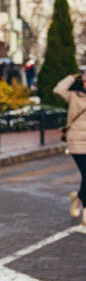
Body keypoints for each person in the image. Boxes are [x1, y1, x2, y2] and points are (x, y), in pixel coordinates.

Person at [54, 73, 86, 225]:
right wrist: (72, 77)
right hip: (77, 142)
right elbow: (58, 90)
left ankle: (77, 197)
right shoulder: (74, 96)